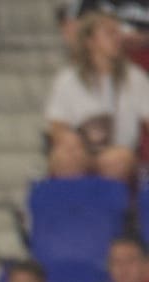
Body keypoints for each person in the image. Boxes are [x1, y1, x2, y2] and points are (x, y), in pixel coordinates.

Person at [46, 14, 149, 182]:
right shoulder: (67, 79)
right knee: (64, 159)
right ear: (90, 41)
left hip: (119, 150)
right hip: (81, 149)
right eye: (110, 33)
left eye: (118, 33)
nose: (118, 38)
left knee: (118, 161)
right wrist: (70, 142)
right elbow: (57, 125)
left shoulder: (136, 78)